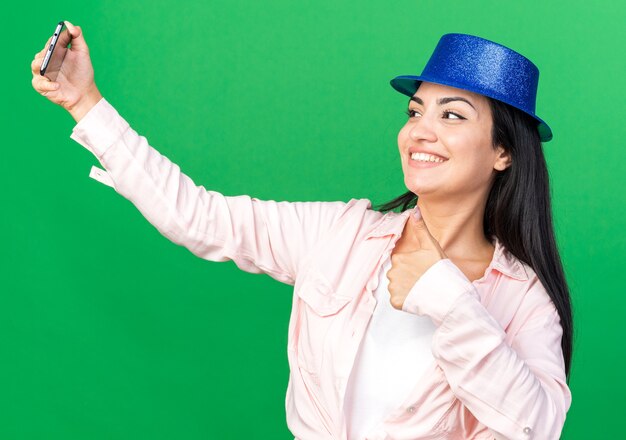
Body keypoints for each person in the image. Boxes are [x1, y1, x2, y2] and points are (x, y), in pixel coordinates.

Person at [31, 21, 573, 440]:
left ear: (503, 151)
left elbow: (536, 426)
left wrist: (451, 301)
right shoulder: (339, 234)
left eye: (452, 116)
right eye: (415, 111)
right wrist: (86, 104)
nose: (420, 132)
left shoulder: (523, 299)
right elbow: (199, 215)